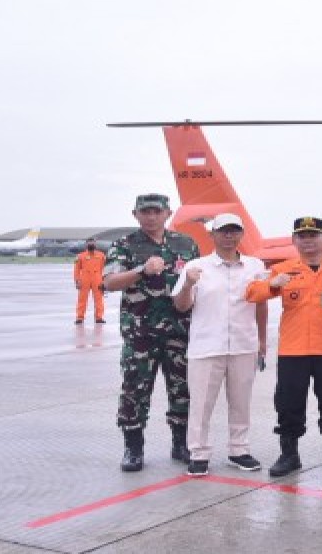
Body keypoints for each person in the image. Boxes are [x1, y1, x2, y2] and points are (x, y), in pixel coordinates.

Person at [247, 216, 322, 478]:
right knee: (288, 404)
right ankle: (289, 454)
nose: (308, 241)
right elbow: (252, 292)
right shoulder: (283, 269)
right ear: (294, 240)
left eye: (313, 235)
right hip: (292, 350)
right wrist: (272, 285)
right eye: (302, 236)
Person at [103, 193, 200, 472]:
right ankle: (133, 448)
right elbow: (110, 282)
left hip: (180, 331)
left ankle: (181, 443)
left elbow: (197, 283)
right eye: (145, 212)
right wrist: (141, 270)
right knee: (135, 389)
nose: (151, 216)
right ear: (135, 214)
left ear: (167, 213)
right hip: (140, 333)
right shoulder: (124, 245)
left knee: (183, 388)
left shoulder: (186, 244)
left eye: (157, 211)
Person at [171, 213, 268, 477]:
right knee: (201, 404)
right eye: (223, 231)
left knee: (241, 402)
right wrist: (188, 284)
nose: (229, 236)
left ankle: (239, 449)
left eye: (234, 231)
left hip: (243, 344)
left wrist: (261, 339)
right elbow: (181, 306)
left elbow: (261, 304)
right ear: (212, 234)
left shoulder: (255, 266)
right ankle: (199, 453)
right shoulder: (196, 267)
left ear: (241, 234)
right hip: (206, 345)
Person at [74, 237, 107, 325]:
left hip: (97, 278)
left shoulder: (101, 255)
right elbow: (77, 270)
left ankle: (99, 317)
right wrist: (77, 280)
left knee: (99, 299)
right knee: (82, 299)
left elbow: (105, 268)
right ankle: (79, 317)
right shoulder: (80, 256)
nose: (91, 244)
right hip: (84, 279)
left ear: (95, 244)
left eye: (93, 242)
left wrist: (105, 280)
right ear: (86, 244)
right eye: (89, 243)